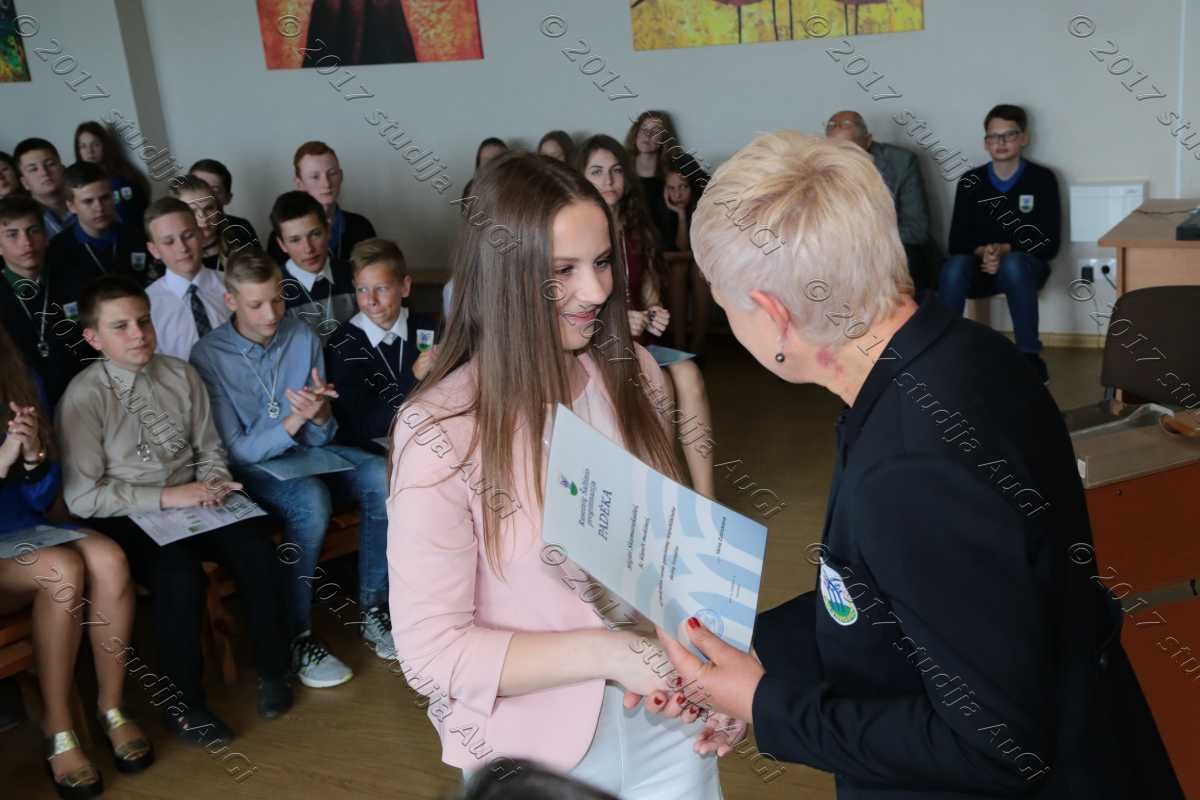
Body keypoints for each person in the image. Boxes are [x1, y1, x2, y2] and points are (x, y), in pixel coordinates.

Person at [643, 131, 1183, 799]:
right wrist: (759, 656)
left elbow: (996, 748)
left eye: (725, 304)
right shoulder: (964, 353)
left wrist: (768, 705)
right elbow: (899, 597)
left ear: (775, 316)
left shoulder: (912, 465)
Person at [389, 152, 723, 798]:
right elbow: (431, 653)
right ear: (504, 278)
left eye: (602, 263)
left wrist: (721, 673)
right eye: (563, 271)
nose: (597, 291)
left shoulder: (635, 375)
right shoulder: (439, 430)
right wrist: (612, 654)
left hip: (670, 721)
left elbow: (670, 559)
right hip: (533, 754)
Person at [57, 275, 293, 746]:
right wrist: (169, 497)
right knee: (178, 575)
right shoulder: (84, 397)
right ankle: (184, 705)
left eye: (143, 321)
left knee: (256, 548)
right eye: (120, 326)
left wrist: (212, 483)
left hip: (195, 497)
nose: (138, 334)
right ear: (93, 338)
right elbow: (83, 497)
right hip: (128, 513)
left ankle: (274, 670)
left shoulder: (180, 374)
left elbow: (209, 448)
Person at [190, 249, 394, 689]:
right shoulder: (208, 355)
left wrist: (319, 416)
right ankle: (297, 635)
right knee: (310, 499)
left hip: (309, 454)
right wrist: (293, 422)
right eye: (256, 304)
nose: (271, 314)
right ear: (230, 302)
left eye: (277, 300)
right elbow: (236, 451)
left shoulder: (301, 335)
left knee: (382, 475)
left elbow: (321, 436)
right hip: (255, 470)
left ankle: (374, 608)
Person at [0, 321, 154, 798]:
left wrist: (31, 459)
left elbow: (43, 497)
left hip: (25, 529)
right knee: (62, 569)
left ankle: (111, 707)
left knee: (109, 559)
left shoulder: (18, 376)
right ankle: (59, 726)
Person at [579, 136, 715, 498]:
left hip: (641, 341)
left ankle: (706, 498)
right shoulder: (575, 233)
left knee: (690, 374)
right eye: (597, 172)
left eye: (616, 171)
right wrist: (620, 321)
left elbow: (650, 287)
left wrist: (655, 312)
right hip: (597, 342)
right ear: (580, 178)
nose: (608, 180)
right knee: (661, 383)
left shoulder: (637, 228)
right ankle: (661, 491)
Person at [939, 104, 1061, 385]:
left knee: (1014, 264)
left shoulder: (1042, 179)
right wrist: (984, 252)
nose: (1001, 142)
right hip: (979, 269)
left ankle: (1029, 356)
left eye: (1009, 135)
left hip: (1024, 270)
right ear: (986, 143)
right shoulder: (971, 181)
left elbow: (1049, 243)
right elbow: (956, 242)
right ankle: (943, 354)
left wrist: (1005, 251)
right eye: (994, 136)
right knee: (954, 266)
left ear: (1023, 138)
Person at [324, 238, 437, 454]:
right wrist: (413, 376)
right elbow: (364, 426)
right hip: (368, 451)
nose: (371, 300)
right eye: (362, 290)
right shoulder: (343, 345)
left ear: (405, 287)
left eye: (382, 288)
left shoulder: (430, 329)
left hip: (428, 442)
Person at [825, 110, 934, 290]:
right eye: (834, 149)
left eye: (849, 149)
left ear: (868, 141)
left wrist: (865, 241)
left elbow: (916, 230)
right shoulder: (819, 164)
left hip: (889, 249)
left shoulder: (901, 162)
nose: (842, 157)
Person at [0, 195, 88, 406]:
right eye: (12, 235)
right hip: (21, 404)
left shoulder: (76, 282)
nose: (26, 242)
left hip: (83, 396)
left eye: (33, 231)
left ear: (46, 236)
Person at [46, 162, 154, 299]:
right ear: (71, 206)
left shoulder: (137, 237)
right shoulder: (58, 250)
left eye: (105, 198)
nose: (99, 208)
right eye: (88, 201)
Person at [143, 197, 230, 359]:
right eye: (169, 242)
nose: (182, 248)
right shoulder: (147, 305)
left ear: (201, 235)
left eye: (188, 235)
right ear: (154, 250)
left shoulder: (233, 285)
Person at [266, 141, 376, 265]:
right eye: (315, 177)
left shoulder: (361, 226)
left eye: (332, 173)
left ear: (341, 176)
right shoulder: (283, 235)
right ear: (299, 183)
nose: (326, 184)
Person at [271, 190, 356, 337]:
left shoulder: (354, 273)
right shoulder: (274, 290)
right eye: (295, 240)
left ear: (328, 230)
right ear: (282, 244)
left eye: (315, 234)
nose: (308, 249)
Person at [624, 112, 710, 248]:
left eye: (655, 131)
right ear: (635, 133)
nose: (647, 135)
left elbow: (711, 192)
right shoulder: (621, 167)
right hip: (636, 246)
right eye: (643, 129)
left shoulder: (682, 163)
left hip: (676, 248)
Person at [659, 165, 713, 354]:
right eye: (671, 188)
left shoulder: (705, 208)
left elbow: (703, 253)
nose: (678, 194)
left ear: (692, 187)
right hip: (673, 268)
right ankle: (680, 347)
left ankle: (698, 346)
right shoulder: (659, 209)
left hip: (698, 265)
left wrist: (683, 216)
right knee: (679, 268)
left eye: (683, 187)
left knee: (699, 271)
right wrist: (680, 215)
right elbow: (670, 253)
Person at [168, 174, 252, 272]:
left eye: (209, 208)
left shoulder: (240, 238)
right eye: (192, 211)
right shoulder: (166, 255)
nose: (203, 217)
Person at [74, 120, 150, 227]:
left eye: (95, 144)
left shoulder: (124, 179)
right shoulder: (74, 184)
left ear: (105, 145)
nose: (89, 151)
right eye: (83, 146)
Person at [188, 158, 262, 252]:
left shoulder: (241, 229)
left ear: (228, 198)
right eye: (198, 187)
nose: (205, 197)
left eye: (214, 191)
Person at [14, 138, 74, 237]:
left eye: (50, 164)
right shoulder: (19, 221)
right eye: (33, 169)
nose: (44, 172)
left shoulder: (90, 203)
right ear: (25, 183)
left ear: (63, 169)